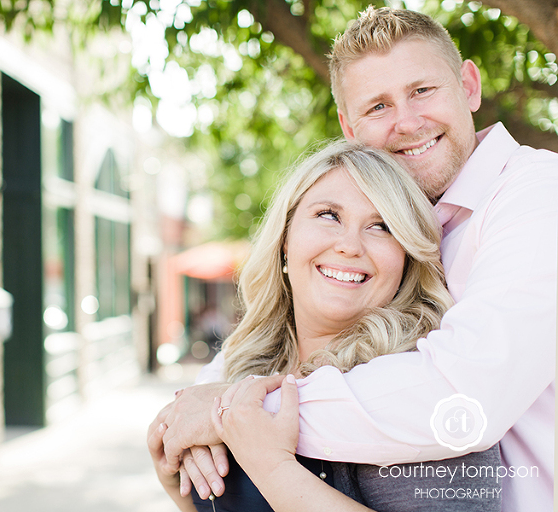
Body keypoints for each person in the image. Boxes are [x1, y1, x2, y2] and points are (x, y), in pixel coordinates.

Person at [152, 6, 557, 511]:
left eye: (422, 91)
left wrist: (231, 413)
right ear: (348, 126)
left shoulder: (538, 195)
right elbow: (258, 349)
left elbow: (467, 393)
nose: (407, 123)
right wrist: (193, 419)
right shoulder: (414, 220)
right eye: (378, 107)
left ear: (469, 86)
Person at [148, 140, 501, 511]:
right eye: (329, 215)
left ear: (406, 260)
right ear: (285, 239)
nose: (349, 246)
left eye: (382, 226)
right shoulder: (241, 367)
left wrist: (273, 466)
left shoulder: (422, 394)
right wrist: (174, 483)